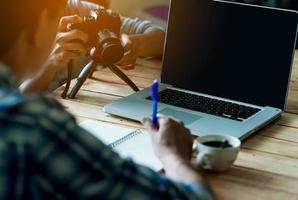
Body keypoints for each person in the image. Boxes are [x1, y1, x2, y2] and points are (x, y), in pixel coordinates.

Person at [0, 0, 214, 199]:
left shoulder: (82, 10)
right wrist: (172, 156)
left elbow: (160, 35)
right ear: (42, 24)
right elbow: (194, 196)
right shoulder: (37, 127)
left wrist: (135, 44)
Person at [19, 0, 165, 94]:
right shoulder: (11, 32)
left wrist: (135, 44)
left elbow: (162, 38)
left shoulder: (78, 10)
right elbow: (10, 106)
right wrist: (49, 64)